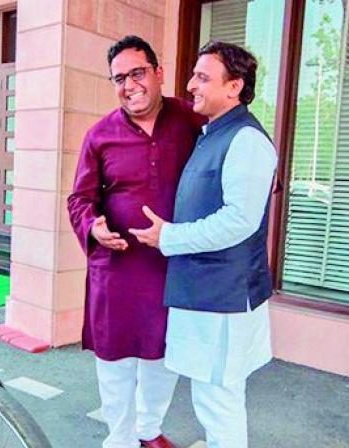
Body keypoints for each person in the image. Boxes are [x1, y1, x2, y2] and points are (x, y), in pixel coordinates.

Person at [129, 41, 276, 448]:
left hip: (223, 296)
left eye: (203, 77)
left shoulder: (247, 140)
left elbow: (239, 222)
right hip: (206, 292)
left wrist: (169, 237)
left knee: (218, 398)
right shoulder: (214, 133)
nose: (191, 84)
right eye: (194, 74)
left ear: (235, 87)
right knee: (213, 395)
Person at [67, 35, 204, 448]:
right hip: (117, 269)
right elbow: (79, 198)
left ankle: (148, 430)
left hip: (171, 266)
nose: (129, 85)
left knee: (163, 355)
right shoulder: (100, 135)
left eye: (137, 73)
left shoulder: (190, 118)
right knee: (115, 361)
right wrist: (92, 226)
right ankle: (120, 438)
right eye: (119, 78)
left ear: (159, 73)